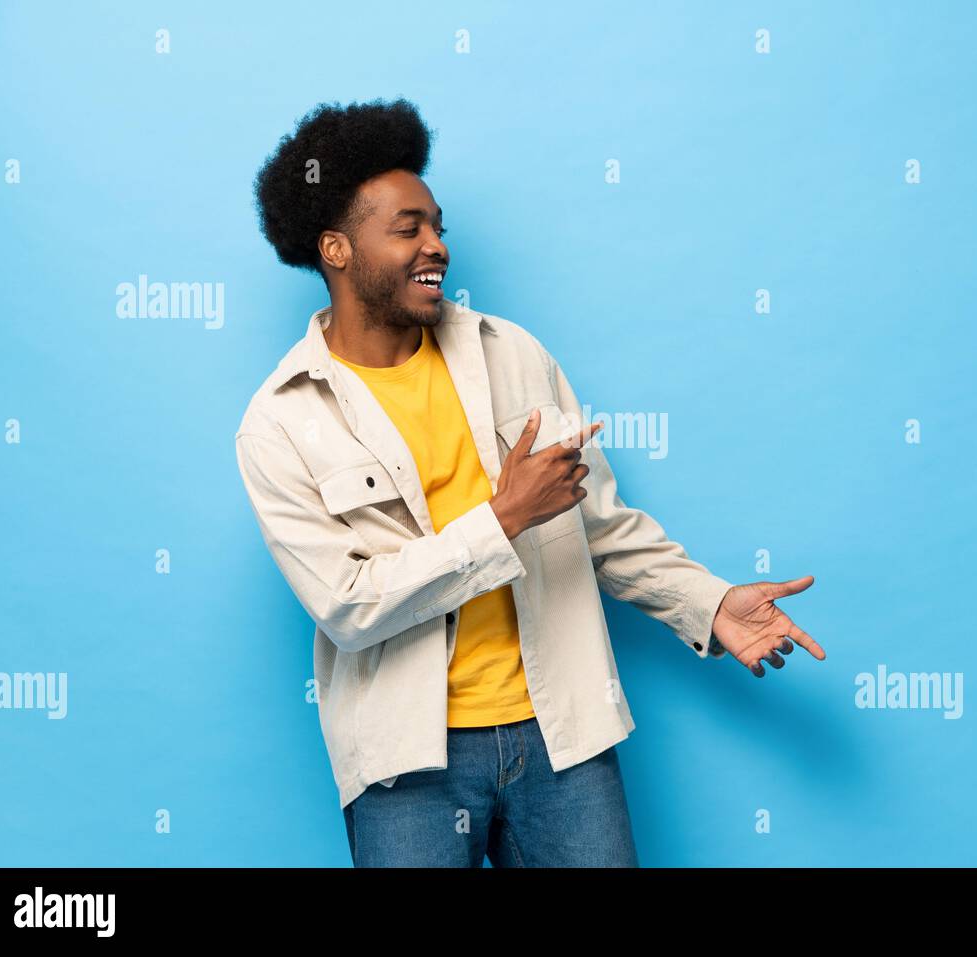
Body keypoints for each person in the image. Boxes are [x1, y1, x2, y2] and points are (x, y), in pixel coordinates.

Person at [236, 97, 825, 867]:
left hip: (563, 739)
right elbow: (350, 605)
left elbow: (601, 526)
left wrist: (710, 604)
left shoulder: (511, 353)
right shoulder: (281, 421)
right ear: (336, 249)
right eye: (408, 228)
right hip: (408, 762)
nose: (437, 246)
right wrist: (503, 515)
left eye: (439, 225)